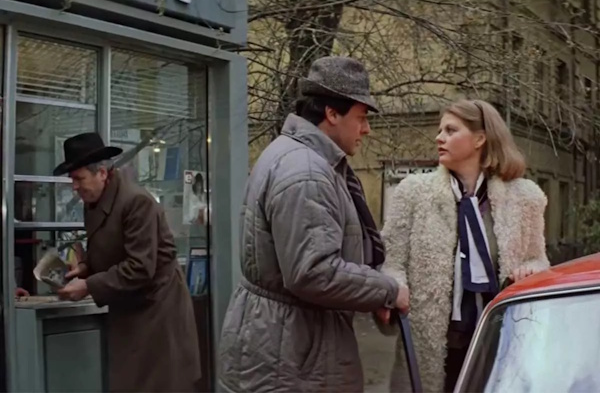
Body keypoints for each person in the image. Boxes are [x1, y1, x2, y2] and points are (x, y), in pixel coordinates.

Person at [218, 56, 408, 393]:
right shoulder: (307, 171)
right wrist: (387, 290)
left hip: (285, 343)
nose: (367, 129)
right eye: (361, 118)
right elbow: (314, 272)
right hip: (293, 354)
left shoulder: (298, 156)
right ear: (332, 114)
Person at [378, 99, 550, 392]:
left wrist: (529, 270)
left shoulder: (524, 198)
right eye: (440, 130)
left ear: (480, 139)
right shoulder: (413, 193)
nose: (439, 137)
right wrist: (394, 289)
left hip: (498, 341)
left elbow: (539, 260)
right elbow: (391, 263)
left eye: (450, 130)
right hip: (430, 343)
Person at [54, 132, 202, 392]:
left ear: (102, 173)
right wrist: (85, 268)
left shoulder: (136, 202)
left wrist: (88, 285)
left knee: (158, 384)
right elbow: (109, 250)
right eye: (72, 179)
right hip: (131, 308)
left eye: (78, 178)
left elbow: (140, 267)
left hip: (157, 311)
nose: (74, 187)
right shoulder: (95, 201)